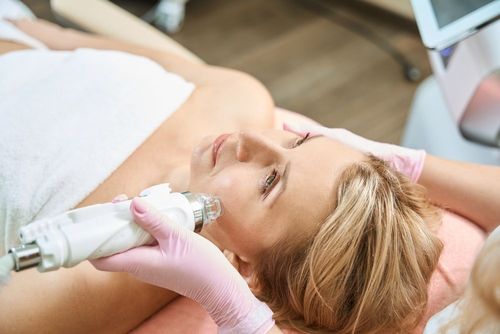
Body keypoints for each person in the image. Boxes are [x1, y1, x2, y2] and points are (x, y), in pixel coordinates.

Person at [0, 10, 498, 333]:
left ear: (247, 271)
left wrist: (239, 314)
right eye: (300, 139)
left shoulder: (102, 267)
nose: (254, 139)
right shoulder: (247, 100)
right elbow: (63, 37)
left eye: (269, 181)